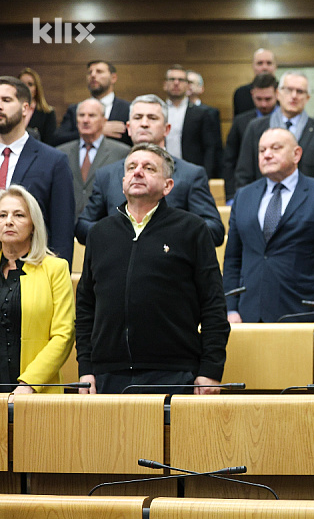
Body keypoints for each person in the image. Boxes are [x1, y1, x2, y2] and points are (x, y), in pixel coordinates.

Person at [76, 143, 229, 395]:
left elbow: (213, 305)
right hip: (108, 375)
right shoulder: (99, 234)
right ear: (122, 181)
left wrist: (211, 370)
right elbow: (85, 307)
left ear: (168, 185)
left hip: (174, 372)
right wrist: (86, 368)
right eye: (132, 167)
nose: (138, 172)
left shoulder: (192, 229)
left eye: (149, 168)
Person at [225, 128, 314, 324]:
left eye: (275, 148)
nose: (267, 154)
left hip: (302, 316)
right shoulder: (243, 196)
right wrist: (230, 309)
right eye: (262, 150)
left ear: (296, 154)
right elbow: (232, 258)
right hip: (248, 315)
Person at [75, 94, 224, 247]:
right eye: (138, 118)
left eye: (152, 118)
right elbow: (82, 227)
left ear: (167, 129)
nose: (144, 124)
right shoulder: (106, 175)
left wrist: (167, 232)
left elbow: (215, 230)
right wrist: (115, 233)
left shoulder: (191, 174)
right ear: (129, 128)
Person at [0, 185, 74, 396]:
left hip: (36, 393)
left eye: (19, 215)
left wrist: (29, 384)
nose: (8, 221)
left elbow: (64, 335)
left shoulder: (55, 269)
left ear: (34, 224)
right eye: (2, 215)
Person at [0, 76, 74, 267]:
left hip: (32, 269)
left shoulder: (53, 161)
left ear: (25, 108)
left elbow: (62, 231)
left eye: (6, 100)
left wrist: (57, 280)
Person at [234, 72, 314, 190]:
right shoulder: (256, 127)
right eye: (288, 90)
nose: (294, 96)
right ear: (278, 93)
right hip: (264, 200)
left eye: (300, 91)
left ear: (307, 98)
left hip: (307, 202)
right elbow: (243, 175)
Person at [55, 98, 130, 218]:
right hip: (68, 222)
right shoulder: (60, 153)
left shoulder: (122, 153)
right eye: (81, 115)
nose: (85, 120)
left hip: (103, 224)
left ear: (104, 121)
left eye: (92, 115)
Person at [223, 73, 279, 200]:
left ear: (277, 94)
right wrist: (232, 195)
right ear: (252, 94)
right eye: (259, 99)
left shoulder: (287, 120)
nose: (263, 104)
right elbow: (229, 161)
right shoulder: (241, 122)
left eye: (268, 99)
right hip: (250, 185)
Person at [52, 60, 131, 147]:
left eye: (99, 72)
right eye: (90, 72)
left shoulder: (128, 109)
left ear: (113, 78)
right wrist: (98, 131)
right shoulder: (75, 109)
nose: (93, 75)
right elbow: (57, 139)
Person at [163, 65, 222, 178]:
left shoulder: (201, 113)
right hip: (162, 171)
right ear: (165, 84)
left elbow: (211, 149)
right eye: (172, 79)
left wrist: (206, 176)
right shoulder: (158, 111)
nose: (176, 83)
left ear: (187, 85)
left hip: (191, 173)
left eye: (181, 80)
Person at [233, 48, 277, 117]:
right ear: (253, 66)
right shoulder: (241, 93)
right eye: (260, 63)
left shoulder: (285, 91)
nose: (264, 67)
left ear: (275, 66)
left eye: (269, 63)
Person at [18, 68, 57, 146]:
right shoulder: (10, 110)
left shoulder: (47, 113)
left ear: (36, 89)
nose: (26, 87)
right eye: (22, 84)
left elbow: (49, 143)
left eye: (30, 84)